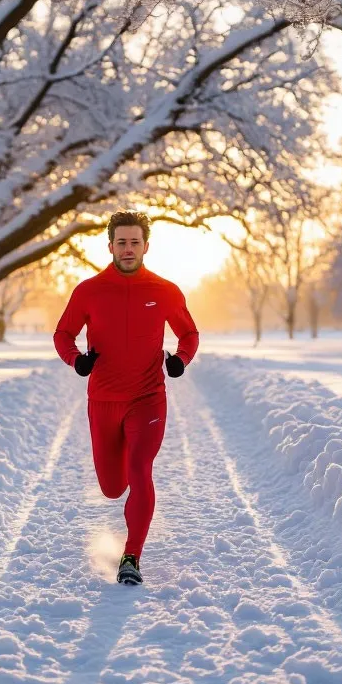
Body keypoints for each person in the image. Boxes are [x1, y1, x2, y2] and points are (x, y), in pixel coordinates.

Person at [53, 210, 200, 585]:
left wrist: (180, 361)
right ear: (111, 246)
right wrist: (77, 361)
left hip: (148, 397)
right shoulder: (88, 290)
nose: (129, 249)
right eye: (122, 242)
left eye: (135, 242)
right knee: (112, 486)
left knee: (140, 470)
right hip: (103, 400)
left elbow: (189, 334)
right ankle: (125, 531)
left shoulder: (165, 291)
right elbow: (63, 334)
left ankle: (131, 556)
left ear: (146, 246)